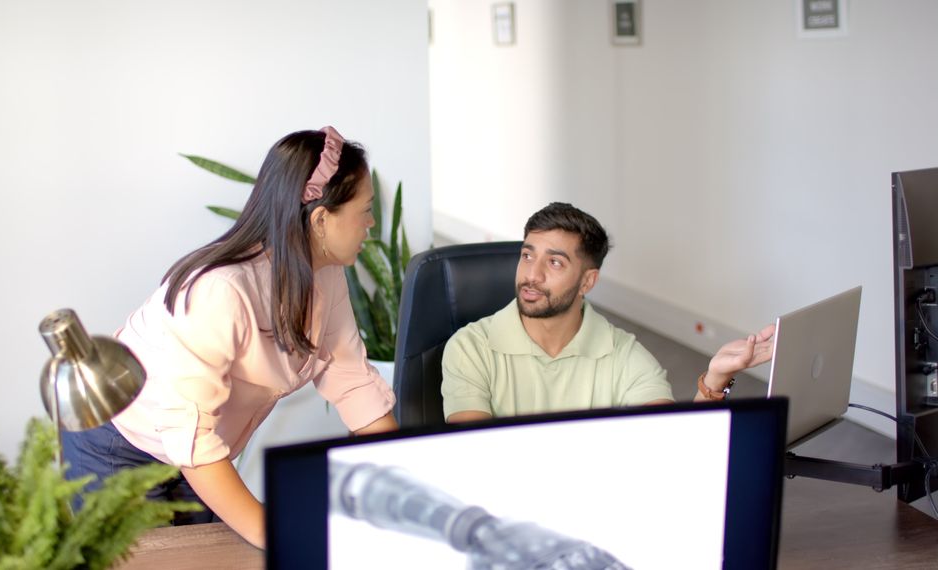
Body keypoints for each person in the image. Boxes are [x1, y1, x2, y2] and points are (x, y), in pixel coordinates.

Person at [62, 126, 398, 549]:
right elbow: (192, 438)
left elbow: (352, 381)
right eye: (365, 210)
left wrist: (406, 483)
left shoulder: (325, 276)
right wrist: (280, 535)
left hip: (196, 447)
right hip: (119, 444)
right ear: (320, 220)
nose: (371, 223)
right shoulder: (221, 292)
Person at [441, 202, 775, 423]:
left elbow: (669, 446)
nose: (532, 274)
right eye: (527, 255)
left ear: (588, 281)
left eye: (554, 262)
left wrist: (715, 379)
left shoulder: (623, 355)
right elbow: (474, 458)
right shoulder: (470, 347)